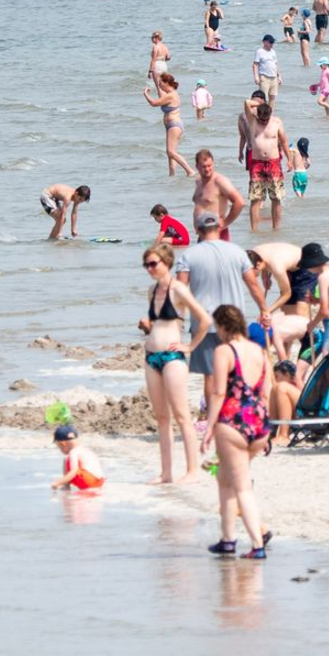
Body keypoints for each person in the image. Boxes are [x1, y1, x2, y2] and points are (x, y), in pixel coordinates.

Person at [138, 243, 211, 485]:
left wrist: (190, 346)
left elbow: (204, 319)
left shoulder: (178, 289)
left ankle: (192, 471)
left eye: (153, 264)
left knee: (181, 415)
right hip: (151, 357)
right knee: (161, 417)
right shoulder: (151, 291)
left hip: (172, 358)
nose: (149, 269)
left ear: (166, 263)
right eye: (146, 265)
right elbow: (156, 323)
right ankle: (166, 472)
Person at [202, 304, 271, 560]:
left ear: (223, 326)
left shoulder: (224, 351)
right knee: (225, 478)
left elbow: (219, 392)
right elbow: (265, 393)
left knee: (241, 487)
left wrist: (209, 427)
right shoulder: (260, 351)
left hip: (233, 422)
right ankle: (227, 539)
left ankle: (257, 545)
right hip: (259, 423)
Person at [176, 213, 266, 402]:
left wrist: (177, 322)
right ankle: (236, 414)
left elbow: (179, 292)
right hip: (235, 322)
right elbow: (253, 284)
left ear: (198, 230)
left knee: (211, 375)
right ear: (220, 228)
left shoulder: (188, 255)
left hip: (205, 324)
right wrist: (264, 310)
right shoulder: (238, 252)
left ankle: (213, 419)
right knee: (238, 371)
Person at [242, 102, 290, 232]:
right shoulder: (252, 121)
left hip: (274, 163)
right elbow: (247, 102)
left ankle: (276, 229)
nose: (264, 121)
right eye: (261, 119)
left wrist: (289, 159)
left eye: (266, 119)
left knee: (276, 198)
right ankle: (254, 230)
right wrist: (261, 104)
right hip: (257, 164)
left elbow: (284, 141)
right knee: (255, 199)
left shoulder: (276, 122)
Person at [142, 73, 194, 177]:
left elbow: (154, 103)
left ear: (166, 83)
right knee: (171, 153)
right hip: (172, 125)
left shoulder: (171, 96)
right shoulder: (170, 94)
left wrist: (145, 94)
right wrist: (156, 79)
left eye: (161, 83)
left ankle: (190, 171)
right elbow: (160, 94)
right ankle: (172, 175)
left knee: (171, 152)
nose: (160, 85)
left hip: (174, 125)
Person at [191, 149, 246, 236]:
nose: (207, 169)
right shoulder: (198, 181)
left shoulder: (219, 181)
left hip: (217, 233)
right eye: (204, 166)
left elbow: (240, 202)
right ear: (197, 166)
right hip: (202, 234)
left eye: (209, 165)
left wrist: (225, 223)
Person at [50, 424, 105, 491]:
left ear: (63, 444)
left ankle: (66, 486)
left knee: (66, 459)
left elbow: (74, 471)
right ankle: (66, 486)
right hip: (100, 482)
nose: (60, 449)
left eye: (59, 447)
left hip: (88, 480)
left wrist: (57, 483)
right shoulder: (86, 451)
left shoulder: (73, 452)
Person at [253, 34, 282, 104]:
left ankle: (270, 114)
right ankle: (262, 114)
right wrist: (256, 77)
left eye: (273, 42)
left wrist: (279, 76)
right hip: (264, 77)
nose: (272, 44)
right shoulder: (259, 51)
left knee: (272, 98)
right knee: (262, 98)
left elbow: (276, 65)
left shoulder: (273, 52)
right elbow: (255, 65)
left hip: (274, 77)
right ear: (264, 42)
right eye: (270, 42)